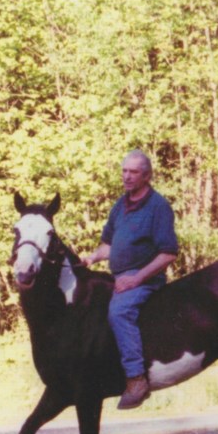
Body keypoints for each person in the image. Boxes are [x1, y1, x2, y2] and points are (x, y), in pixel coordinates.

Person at [83, 150, 179, 409]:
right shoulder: (120, 205)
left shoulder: (158, 207)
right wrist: (91, 259)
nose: (126, 176)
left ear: (146, 176)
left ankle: (136, 379)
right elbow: (109, 246)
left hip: (145, 280)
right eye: (124, 171)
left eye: (133, 172)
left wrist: (136, 280)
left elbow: (168, 253)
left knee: (119, 312)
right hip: (119, 277)